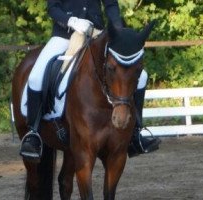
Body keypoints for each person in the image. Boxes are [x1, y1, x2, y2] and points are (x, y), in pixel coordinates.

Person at [20, 0, 161, 160]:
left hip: (96, 35)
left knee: (141, 76)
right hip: (64, 35)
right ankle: (34, 132)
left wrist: (117, 28)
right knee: (35, 76)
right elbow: (53, 8)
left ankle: (135, 133)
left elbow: (111, 5)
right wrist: (71, 21)